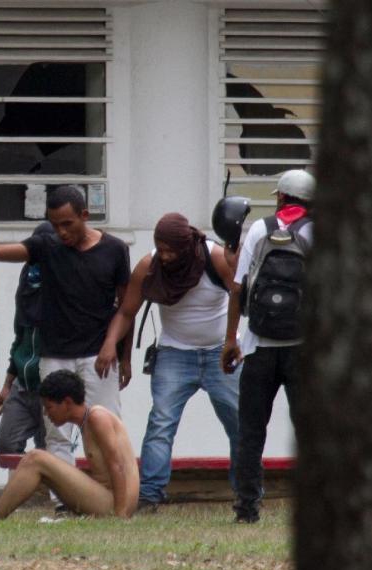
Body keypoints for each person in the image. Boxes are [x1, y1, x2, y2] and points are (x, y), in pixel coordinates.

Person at [0, 186, 131, 485]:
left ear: (84, 216)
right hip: (54, 357)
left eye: (68, 224)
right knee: (56, 434)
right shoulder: (46, 246)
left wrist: (118, 351)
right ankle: (64, 500)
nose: (61, 232)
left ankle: (114, 492)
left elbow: (126, 309)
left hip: (97, 355)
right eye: (55, 225)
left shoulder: (114, 250)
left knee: (104, 427)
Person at [95, 213, 239, 508]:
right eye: (160, 248)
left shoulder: (214, 258)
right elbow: (126, 311)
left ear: (187, 245)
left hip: (218, 353)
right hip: (175, 353)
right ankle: (150, 494)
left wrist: (232, 340)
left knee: (239, 422)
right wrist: (110, 344)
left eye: (171, 249)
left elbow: (238, 295)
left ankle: (248, 490)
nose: (166, 255)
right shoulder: (150, 266)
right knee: (161, 422)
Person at [221, 169, 315, 523]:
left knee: (251, 430)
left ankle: (247, 508)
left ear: (280, 197)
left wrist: (232, 340)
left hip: (258, 345)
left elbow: (238, 288)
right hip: (303, 348)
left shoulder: (260, 229)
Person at [0, 370, 139, 519]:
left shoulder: (97, 417)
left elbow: (117, 465)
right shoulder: (87, 422)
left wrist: (121, 514)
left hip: (116, 504)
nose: (45, 413)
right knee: (39, 462)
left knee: (35, 458)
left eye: (49, 407)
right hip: (110, 499)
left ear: (67, 403)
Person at [0, 222, 53, 455]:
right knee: (5, 443)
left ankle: (51, 490)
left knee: (50, 447)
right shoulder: (27, 285)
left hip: (50, 386)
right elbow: (19, 339)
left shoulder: (66, 294)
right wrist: (7, 384)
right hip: (22, 386)